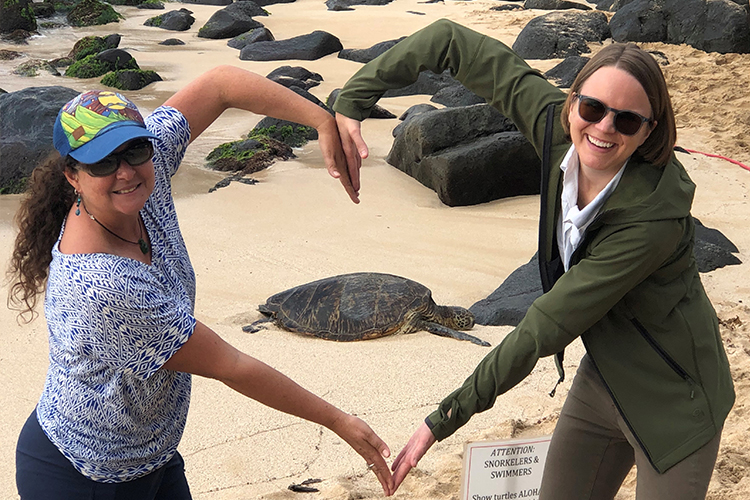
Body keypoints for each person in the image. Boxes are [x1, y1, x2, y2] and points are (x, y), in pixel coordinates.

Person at [333, 19, 734, 499]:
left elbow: (545, 324)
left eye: (627, 119)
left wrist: (440, 421)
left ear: (649, 130)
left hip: (678, 401)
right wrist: (352, 100)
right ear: (572, 102)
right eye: (592, 107)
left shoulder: (651, 219)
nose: (604, 127)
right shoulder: (554, 127)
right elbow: (449, 41)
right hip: (606, 375)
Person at [8, 65, 393, 498]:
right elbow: (232, 366)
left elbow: (221, 84)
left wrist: (323, 119)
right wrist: (338, 421)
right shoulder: (103, 286)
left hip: (151, 453)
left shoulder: (140, 189)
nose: (126, 172)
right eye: (103, 162)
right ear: (72, 175)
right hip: (84, 475)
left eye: (135, 150)